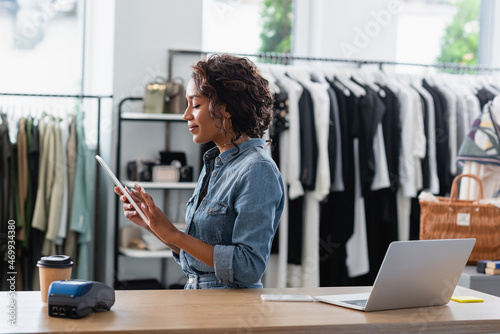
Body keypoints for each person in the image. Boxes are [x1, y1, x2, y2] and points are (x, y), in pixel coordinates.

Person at [115, 54, 285, 289]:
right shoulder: (215, 164)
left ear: (225, 108)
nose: (186, 115)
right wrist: (153, 225)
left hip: (229, 314)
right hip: (199, 303)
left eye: (195, 105)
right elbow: (198, 257)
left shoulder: (257, 170)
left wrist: (175, 235)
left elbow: (248, 267)